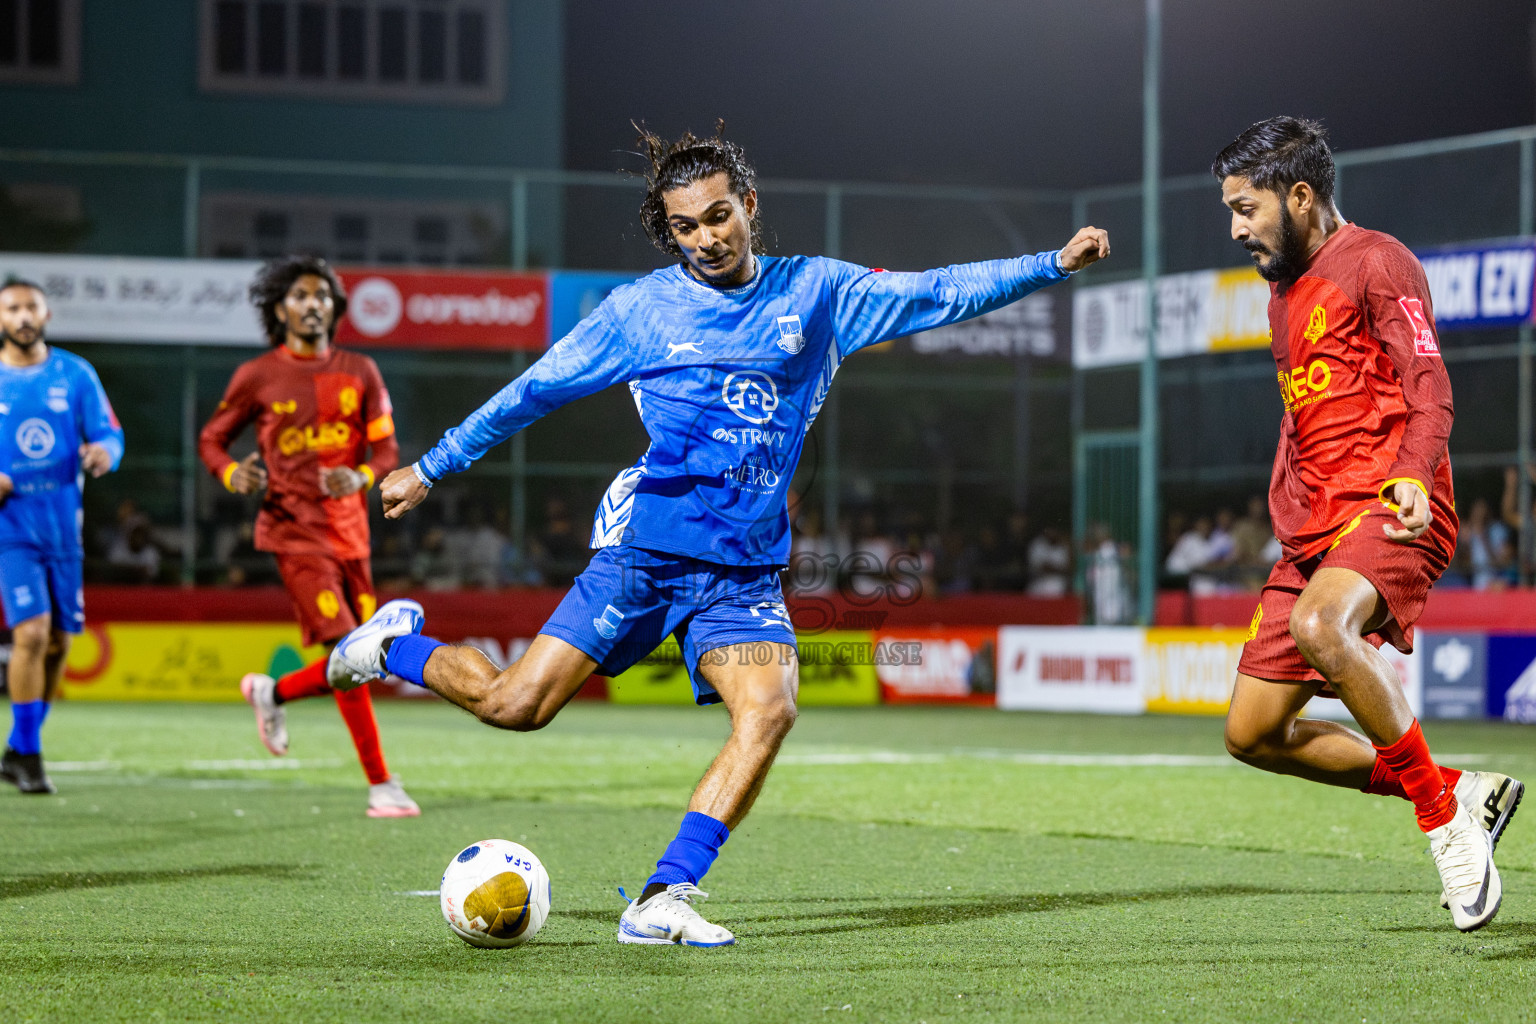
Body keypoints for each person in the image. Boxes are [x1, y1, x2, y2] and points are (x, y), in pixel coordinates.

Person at [326, 124, 1109, 946]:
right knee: (513, 706)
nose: (706, 238)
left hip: (742, 570)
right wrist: (435, 465)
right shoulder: (639, 311)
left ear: (749, 206)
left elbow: (937, 290)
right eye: (687, 228)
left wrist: (1047, 264)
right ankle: (391, 647)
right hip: (646, 554)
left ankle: (663, 896)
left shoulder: (818, 293)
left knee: (768, 711)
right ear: (669, 234)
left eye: (719, 217)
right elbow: (534, 391)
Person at [1213, 117, 1521, 931]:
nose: (1236, 227)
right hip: (1311, 532)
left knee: (1323, 623)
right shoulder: (1281, 291)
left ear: (1300, 195)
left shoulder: (1380, 261)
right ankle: (1459, 787)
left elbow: (1431, 384)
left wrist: (1417, 476)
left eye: (1247, 207)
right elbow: (1304, 418)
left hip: (1393, 507)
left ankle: (1445, 826)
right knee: (1251, 734)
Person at [198, 255, 418, 819]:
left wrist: (363, 476)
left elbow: (387, 451)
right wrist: (231, 473)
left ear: (335, 308)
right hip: (294, 533)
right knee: (351, 649)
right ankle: (381, 784)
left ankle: (273, 692)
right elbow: (212, 440)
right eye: (300, 295)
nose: (312, 303)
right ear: (279, 309)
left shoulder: (362, 370)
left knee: (363, 661)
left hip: (352, 536)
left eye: (322, 294)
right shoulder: (257, 375)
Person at [0, 278, 123, 794]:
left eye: (31, 306)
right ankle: (29, 755)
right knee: (29, 635)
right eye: (12, 308)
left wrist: (103, 455)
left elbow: (110, 435)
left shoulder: (75, 374)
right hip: (12, 529)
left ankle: (19, 746)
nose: (23, 315)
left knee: (58, 643)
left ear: (46, 313)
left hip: (63, 530)